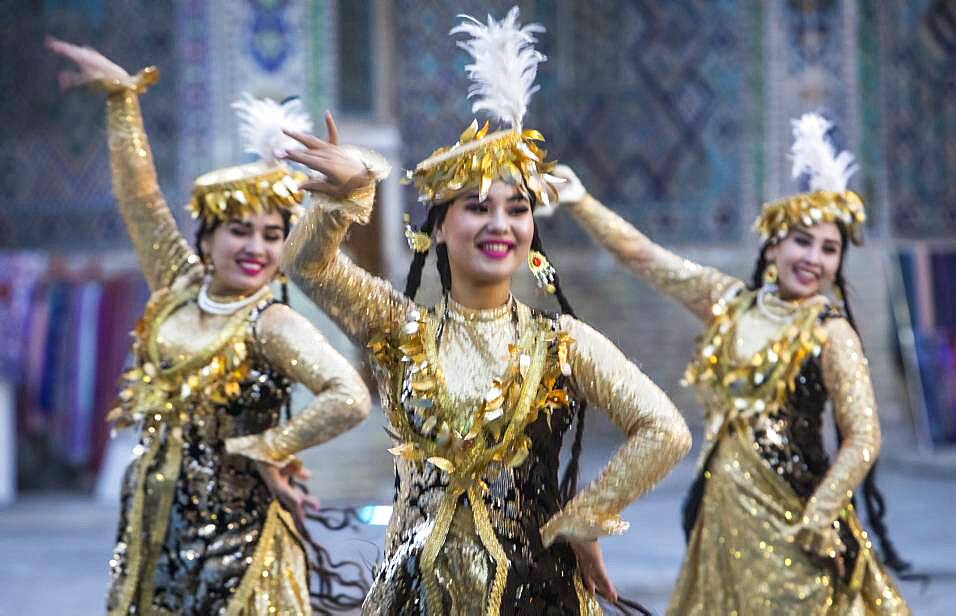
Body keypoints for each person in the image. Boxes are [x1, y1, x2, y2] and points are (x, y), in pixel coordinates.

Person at [276, 8, 692, 615]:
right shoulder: (398, 327)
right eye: (476, 206)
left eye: (517, 208)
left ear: (531, 230)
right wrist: (348, 196)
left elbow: (666, 431)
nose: (500, 223)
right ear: (439, 229)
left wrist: (584, 517)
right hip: (416, 594)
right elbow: (307, 265)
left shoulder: (561, 342)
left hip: (535, 593)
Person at [47, 37, 372, 615]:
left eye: (272, 235)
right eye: (239, 231)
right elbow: (142, 201)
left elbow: (349, 396)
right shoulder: (177, 285)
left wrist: (267, 448)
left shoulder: (270, 322)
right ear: (205, 238)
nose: (256, 248)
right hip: (156, 524)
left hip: (241, 543)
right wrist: (124, 103)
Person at [554, 114, 911, 614]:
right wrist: (582, 203)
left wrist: (821, 513)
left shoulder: (833, 335)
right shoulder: (730, 302)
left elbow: (864, 436)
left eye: (830, 249)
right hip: (721, 511)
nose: (814, 258)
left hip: (792, 514)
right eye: (803, 242)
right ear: (774, 247)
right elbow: (645, 257)